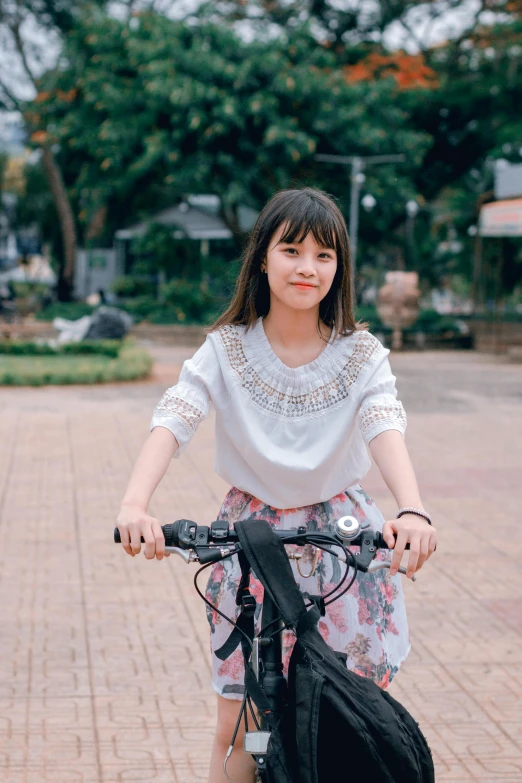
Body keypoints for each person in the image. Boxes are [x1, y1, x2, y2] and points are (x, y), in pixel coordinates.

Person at [116, 187, 438, 783]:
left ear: (339, 267)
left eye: (324, 254)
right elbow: (176, 416)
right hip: (251, 543)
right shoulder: (227, 349)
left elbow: (383, 423)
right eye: (292, 250)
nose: (307, 267)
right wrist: (135, 505)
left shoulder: (361, 353)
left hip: (342, 542)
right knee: (239, 726)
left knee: (349, 720)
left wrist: (412, 511)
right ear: (262, 258)